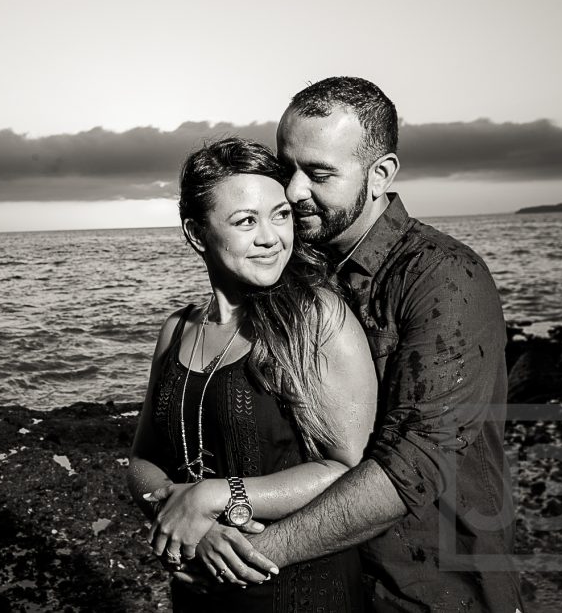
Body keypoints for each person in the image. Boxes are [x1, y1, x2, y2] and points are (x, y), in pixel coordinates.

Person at [176, 77, 524, 611]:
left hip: (434, 588)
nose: (292, 191)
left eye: (318, 174)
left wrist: (250, 558)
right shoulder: (290, 275)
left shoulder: (443, 277)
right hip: (330, 585)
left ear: (380, 174)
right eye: (285, 168)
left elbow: (414, 465)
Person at [127, 137, 378, 612]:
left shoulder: (315, 317)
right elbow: (141, 459)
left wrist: (215, 496)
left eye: (280, 215)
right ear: (197, 234)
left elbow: (350, 471)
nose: (271, 237)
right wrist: (183, 520)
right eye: (246, 221)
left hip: (297, 586)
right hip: (198, 585)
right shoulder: (177, 329)